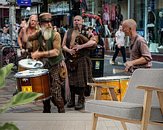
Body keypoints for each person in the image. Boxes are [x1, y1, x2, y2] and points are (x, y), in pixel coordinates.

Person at [23, 13, 67, 113]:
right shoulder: (39, 33)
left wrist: (39, 54)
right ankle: (46, 111)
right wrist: (25, 29)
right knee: (44, 89)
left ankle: (61, 109)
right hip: (44, 65)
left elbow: (56, 52)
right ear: (40, 24)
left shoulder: (55, 35)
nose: (48, 24)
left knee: (55, 91)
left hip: (55, 65)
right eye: (45, 22)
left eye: (49, 22)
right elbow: (27, 39)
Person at [62, 15, 98, 110]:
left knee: (81, 82)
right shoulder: (69, 31)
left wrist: (80, 46)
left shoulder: (87, 30)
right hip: (71, 59)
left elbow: (93, 42)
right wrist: (69, 51)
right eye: (75, 20)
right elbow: (63, 45)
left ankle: (81, 100)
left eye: (78, 20)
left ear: (82, 21)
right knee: (71, 82)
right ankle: (72, 100)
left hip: (82, 59)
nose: (76, 21)